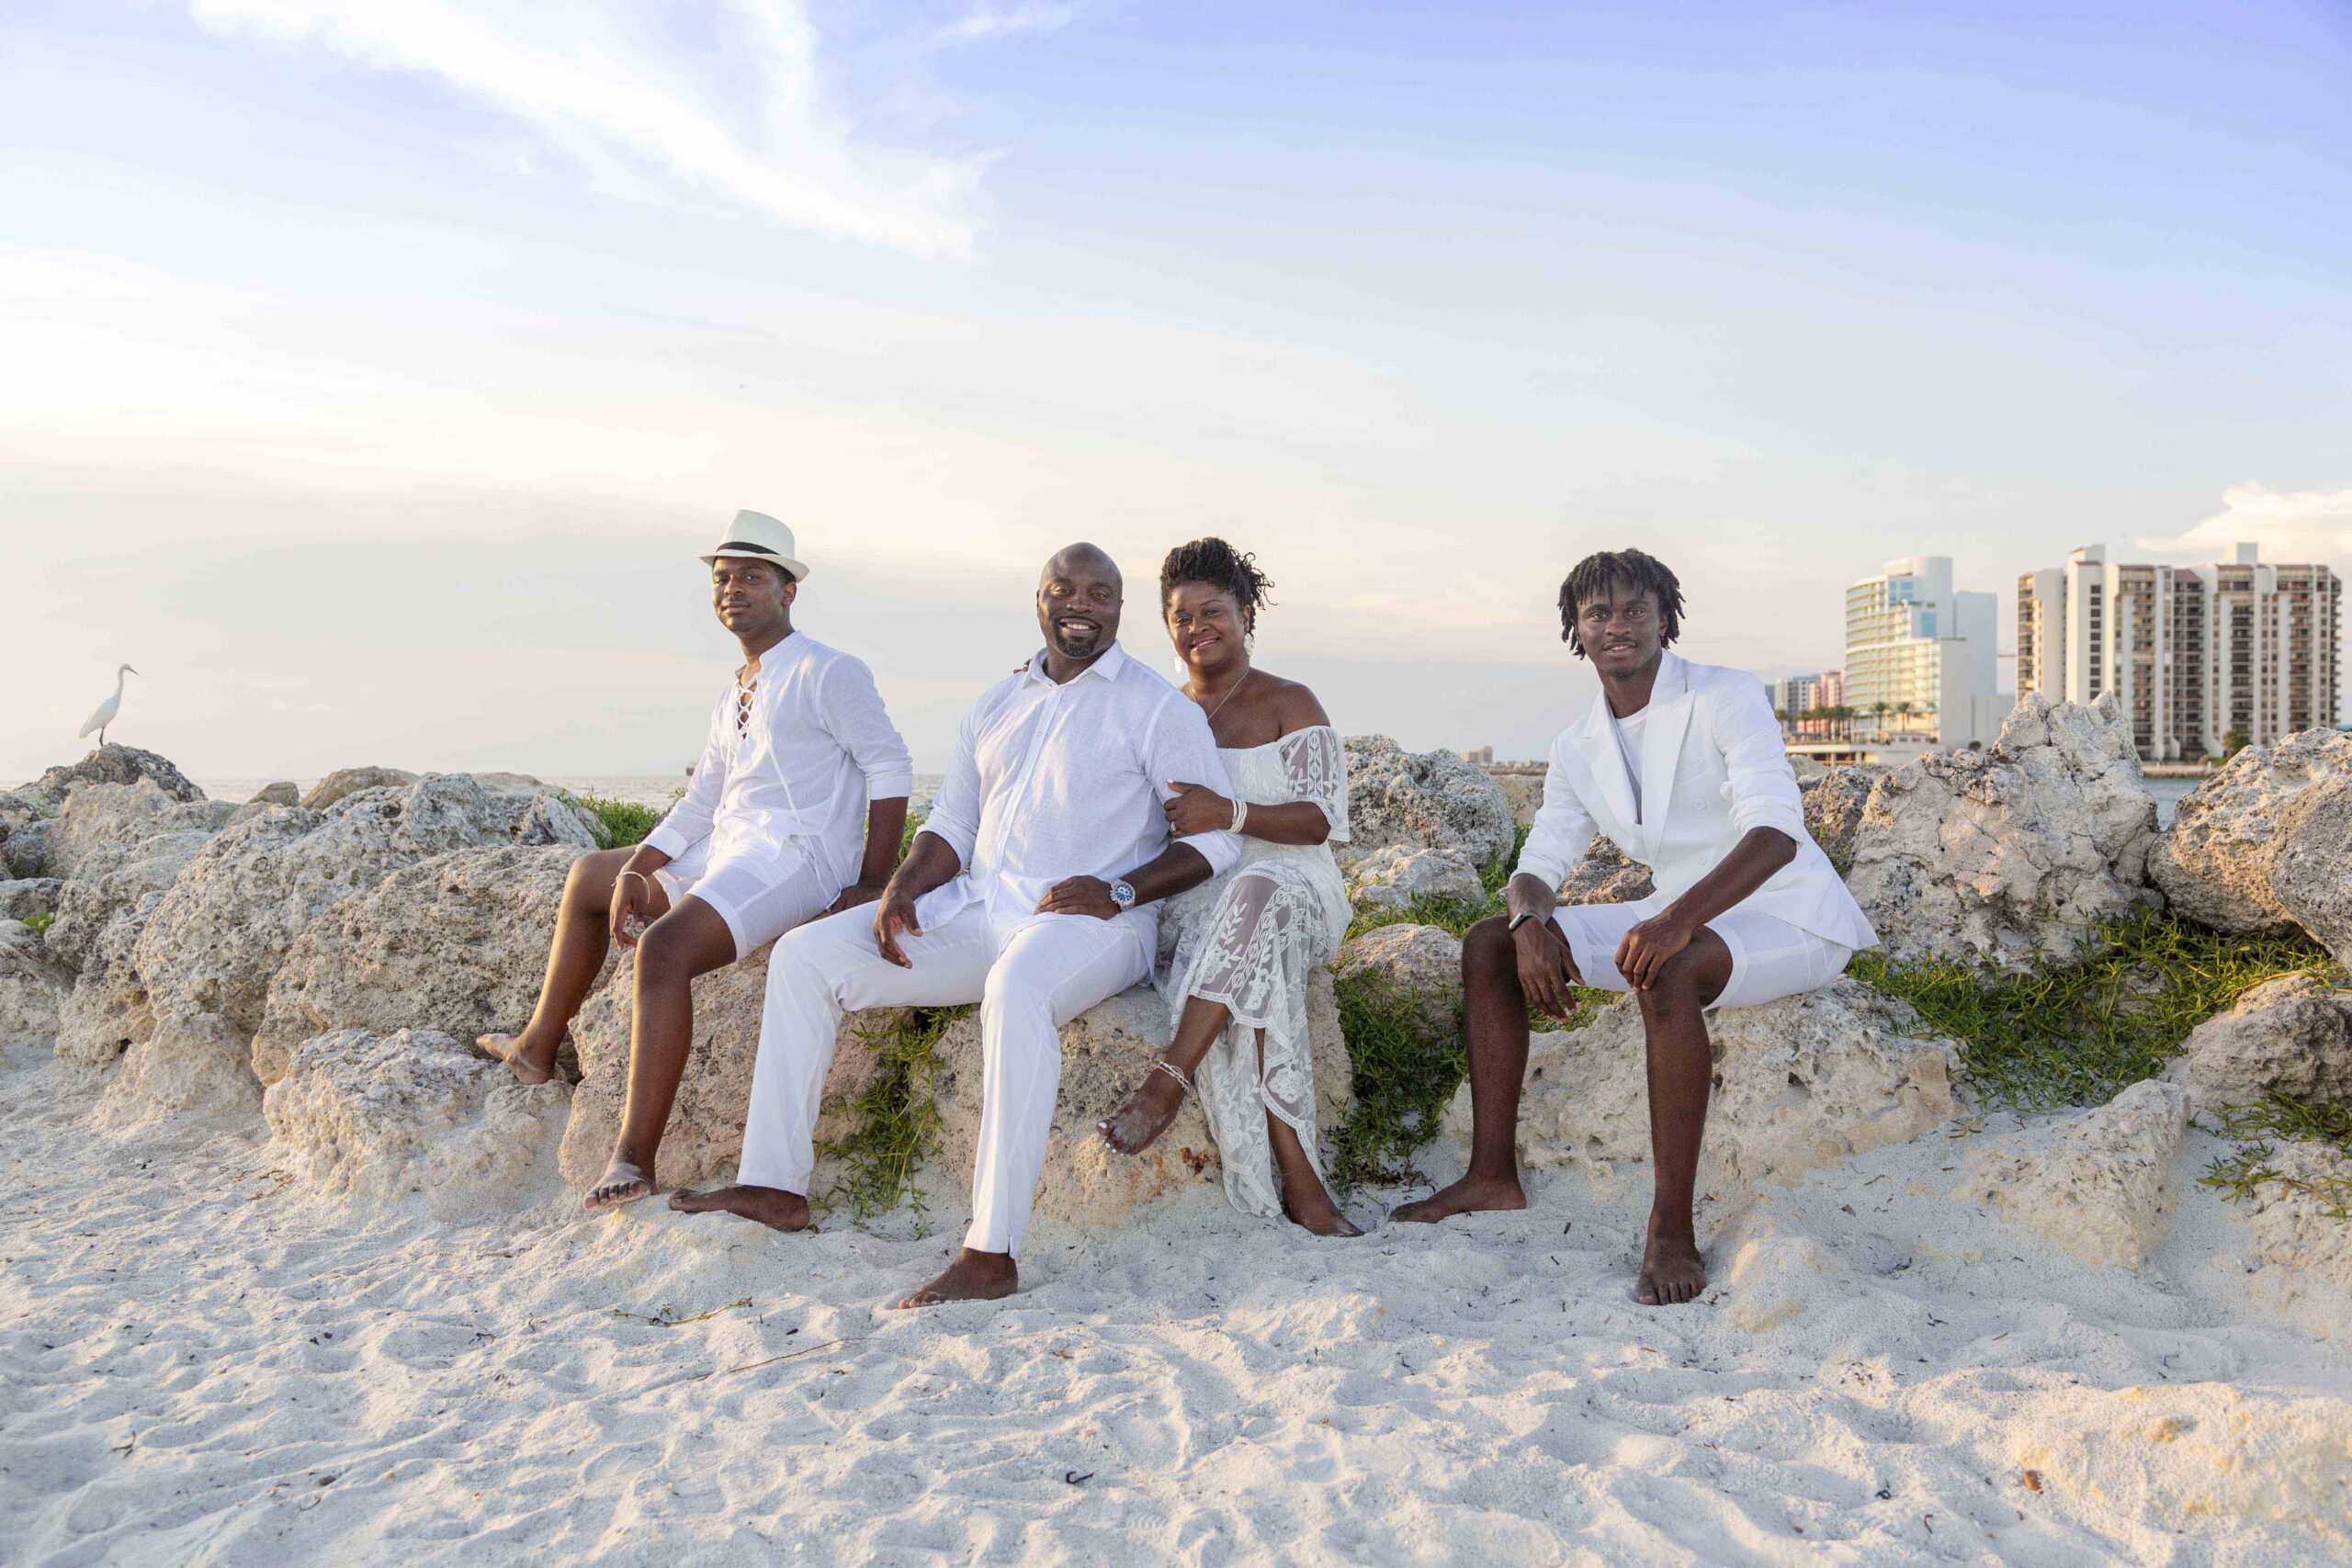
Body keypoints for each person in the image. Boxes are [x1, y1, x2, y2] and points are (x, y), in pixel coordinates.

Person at [673, 543, 1241, 1308]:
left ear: (1117, 608)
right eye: (1064, 589)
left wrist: (1120, 886)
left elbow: (1214, 838)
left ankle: (991, 1251)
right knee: (807, 956)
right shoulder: (996, 702)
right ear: (1038, 598)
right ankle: (775, 1185)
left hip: (1098, 923)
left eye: (1100, 593)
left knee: (1017, 990)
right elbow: (952, 822)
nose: (1082, 604)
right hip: (983, 906)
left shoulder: (1155, 707)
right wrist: (902, 885)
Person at [1392, 548, 1878, 1306]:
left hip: (1788, 913)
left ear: (1664, 618)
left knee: (1665, 968)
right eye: (1598, 614)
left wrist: (1675, 919)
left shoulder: (1725, 695)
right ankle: (1491, 1175)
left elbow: (1777, 832)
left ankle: (1672, 1227)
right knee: (1489, 941)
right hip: (1681, 911)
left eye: (1633, 610)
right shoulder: (1578, 744)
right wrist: (1528, 920)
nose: (1616, 626)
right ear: (1575, 631)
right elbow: (1541, 858)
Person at [481, 510, 911, 1209]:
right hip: (730, 844)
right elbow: (700, 803)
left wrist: (869, 879)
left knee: (663, 950)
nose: (733, 589)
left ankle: (633, 1157)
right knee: (590, 878)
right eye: (722, 578)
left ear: (787, 591)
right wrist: (637, 867)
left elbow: (890, 766)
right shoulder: (731, 693)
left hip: (795, 855)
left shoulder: (828, 671)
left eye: (751, 577)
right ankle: (535, 1047)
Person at [1095, 538, 1359, 1235]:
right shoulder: (1160, 712)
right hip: (1202, 903)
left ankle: (1168, 1079)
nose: (1196, 627)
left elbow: (1322, 818)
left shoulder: (1288, 701)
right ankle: (1300, 1179)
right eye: (1181, 616)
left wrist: (1231, 814)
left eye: (1213, 610)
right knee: (1247, 938)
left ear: (1245, 613)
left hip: (1296, 886)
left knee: (1262, 888)